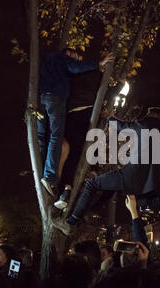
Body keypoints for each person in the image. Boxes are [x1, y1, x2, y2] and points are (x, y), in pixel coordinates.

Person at [53, 107, 160, 236]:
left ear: (153, 114)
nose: (145, 116)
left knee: (92, 184)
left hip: (131, 175)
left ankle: (71, 222)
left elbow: (121, 127)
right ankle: (92, 209)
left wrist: (111, 116)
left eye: (148, 113)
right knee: (110, 189)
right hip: (146, 186)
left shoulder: (146, 124)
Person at [38, 47, 114, 196]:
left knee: (43, 138)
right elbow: (76, 66)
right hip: (56, 98)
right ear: (68, 53)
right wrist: (99, 63)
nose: (76, 59)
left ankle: (45, 173)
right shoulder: (63, 60)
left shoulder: (47, 61)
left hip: (41, 99)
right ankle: (50, 176)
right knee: (56, 136)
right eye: (75, 56)